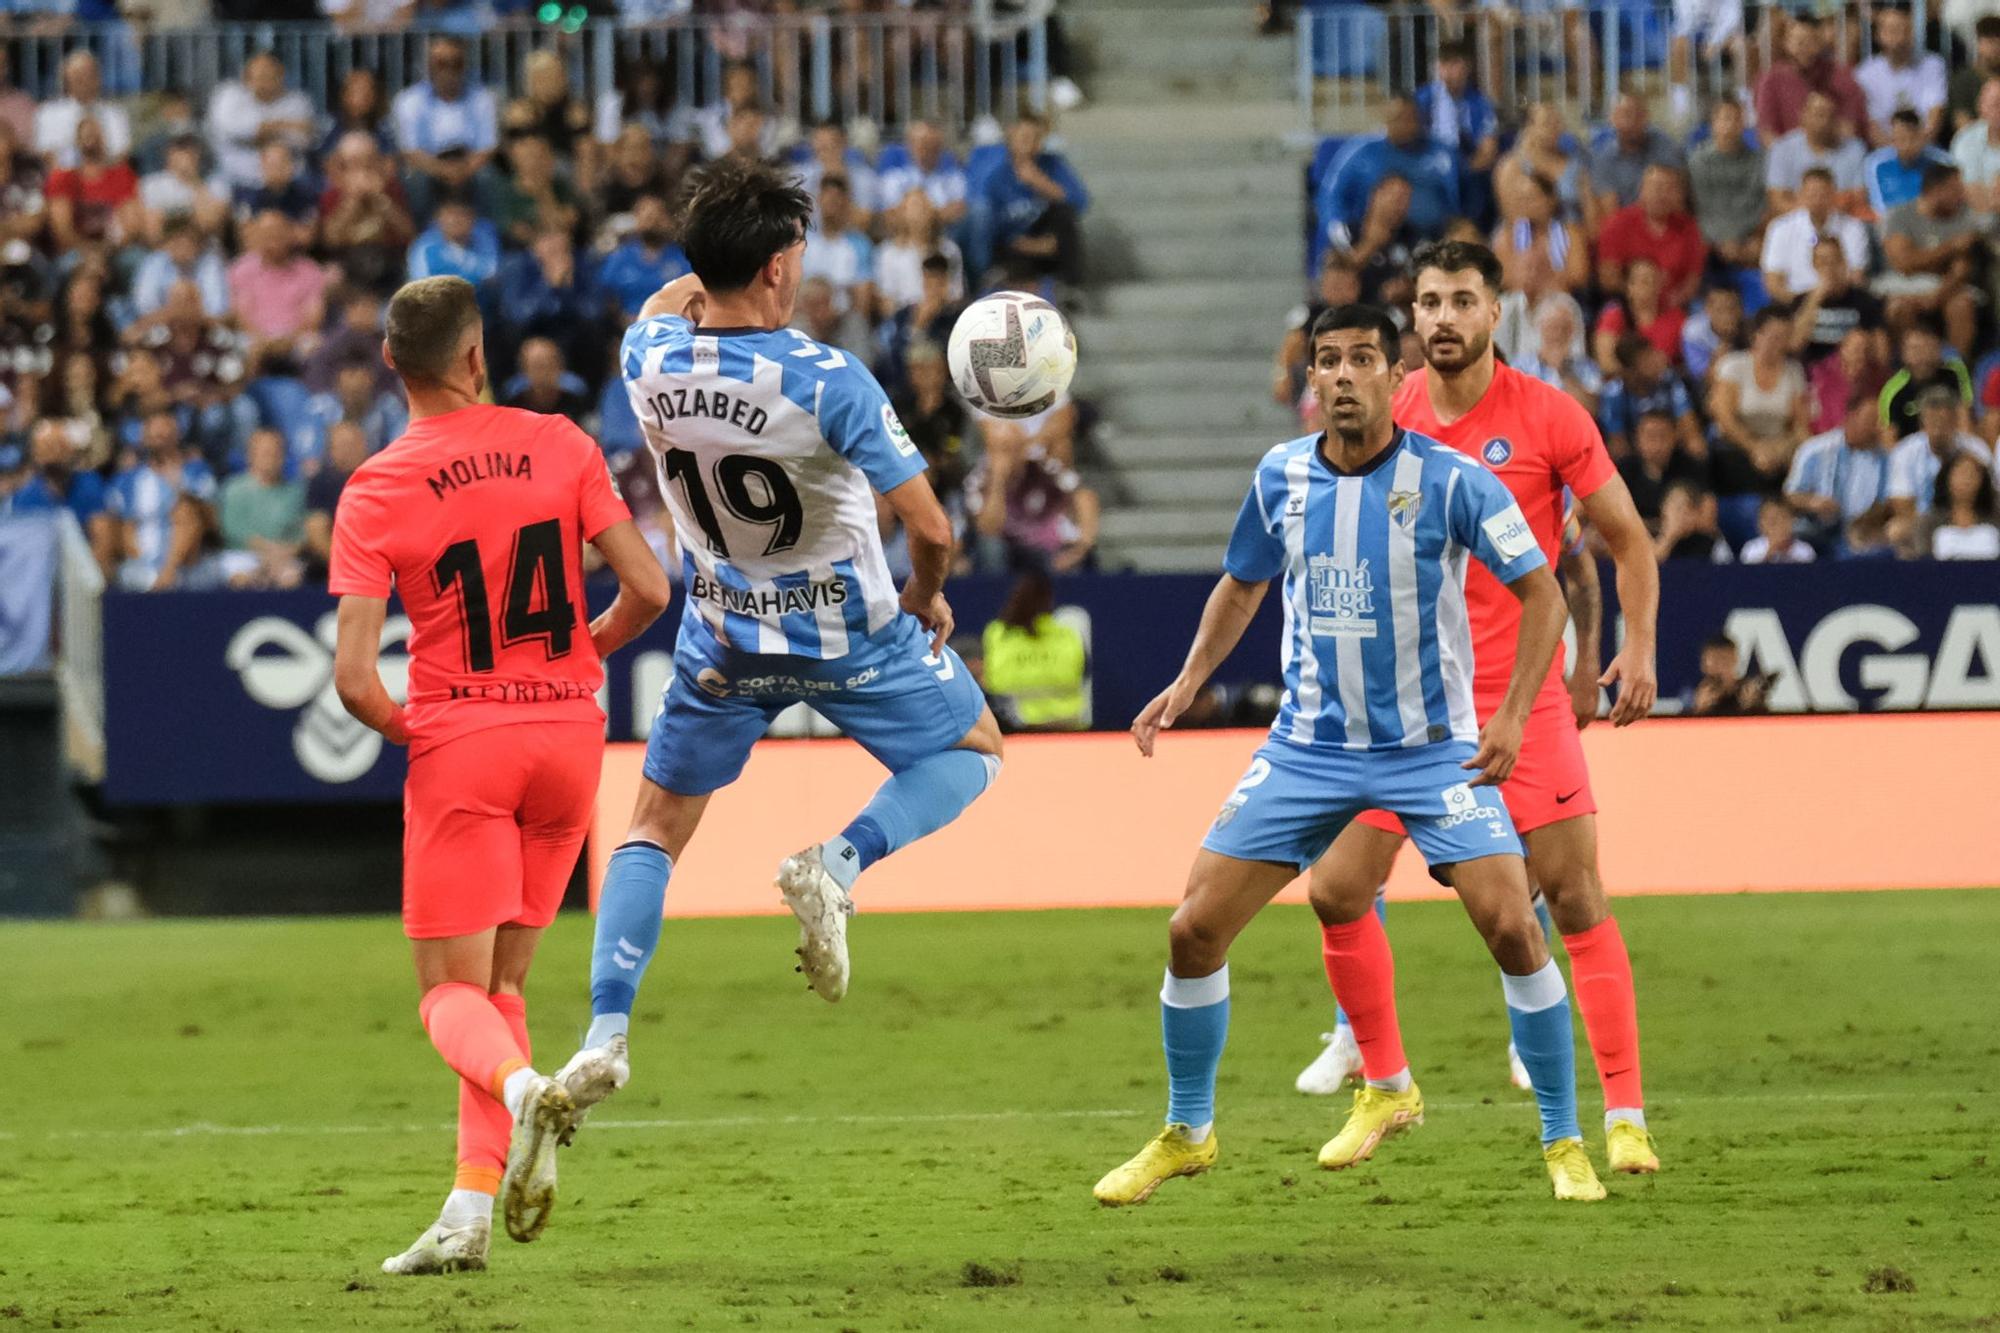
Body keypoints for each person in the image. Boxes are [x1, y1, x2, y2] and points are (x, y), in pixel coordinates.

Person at [1089, 300, 1598, 1210]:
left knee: (1514, 926)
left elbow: (1544, 596)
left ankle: (1564, 1140)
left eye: (1365, 357)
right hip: (1309, 752)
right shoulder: (1280, 475)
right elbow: (1242, 587)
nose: (1346, 375)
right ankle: (1188, 1131)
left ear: (1390, 374)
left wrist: (1515, 713)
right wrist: (1188, 679)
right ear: (1311, 378)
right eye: (1329, 360)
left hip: (1432, 753)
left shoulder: (1451, 480)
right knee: (1191, 928)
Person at [554, 161, 1005, 1132]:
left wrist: (694, 271)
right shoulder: (827, 378)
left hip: (721, 632)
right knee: (974, 752)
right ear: (773, 267)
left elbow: (669, 301)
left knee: (650, 829)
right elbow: (930, 529)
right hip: (851, 633)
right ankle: (837, 863)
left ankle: (603, 1033)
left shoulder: (648, 356)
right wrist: (927, 599)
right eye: (792, 247)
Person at [1286, 242, 1662, 1183]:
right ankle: (1384, 1080)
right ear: (1409, 321)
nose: (1443, 318)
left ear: (1497, 312)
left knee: (1574, 895)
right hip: (1407, 707)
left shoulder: (1548, 416)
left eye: (1462, 300)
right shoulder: (1386, 408)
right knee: (1335, 888)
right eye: (1427, 303)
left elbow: (1625, 542)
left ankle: (1623, 1115)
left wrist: (1638, 646)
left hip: (1520, 697)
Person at [328, 274, 671, 1273]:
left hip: (463, 742)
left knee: (447, 997)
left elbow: (354, 679)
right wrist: (578, 659)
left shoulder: (378, 485)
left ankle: (527, 1093)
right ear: (477, 358)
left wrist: (416, 728)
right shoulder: (560, 443)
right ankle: (469, 1212)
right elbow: (647, 588)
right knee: (504, 985)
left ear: (395, 367)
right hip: (568, 736)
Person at [1878, 162, 1987, 353]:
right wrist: (1950, 247)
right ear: (1936, 191)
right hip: (1906, 284)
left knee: (1961, 306)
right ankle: (1908, 370)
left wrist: (1935, 297)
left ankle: (1956, 371)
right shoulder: (1899, 216)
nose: (1961, 195)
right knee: (1898, 308)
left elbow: (1961, 270)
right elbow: (1903, 263)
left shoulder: (1965, 217)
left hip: (1948, 287)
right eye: (1955, 189)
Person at [1709, 308, 1811, 492]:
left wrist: (1783, 448)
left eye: (1785, 338)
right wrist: (1754, 447)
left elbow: (1799, 423)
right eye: (1774, 337)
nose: (1779, 344)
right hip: (1738, 444)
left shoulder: (1794, 371)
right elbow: (1724, 417)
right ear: (1757, 335)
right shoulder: (1733, 365)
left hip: (1778, 444)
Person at [981, 567, 1088, 732]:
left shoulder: (998, 633)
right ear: (1049, 600)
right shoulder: (1066, 634)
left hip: (1037, 726)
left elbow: (996, 682)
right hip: (1056, 726)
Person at [1886, 384, 1994, 547]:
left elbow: (1989, 494)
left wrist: (1961, 520)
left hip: (1971, 518)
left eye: (1943, 422)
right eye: (1932, 421)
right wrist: (1930, 524)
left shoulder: (1976, 449)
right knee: (1896, 530)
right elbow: (1901, 504)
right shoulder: (1904, 452)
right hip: (1921, 520)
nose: (1938, 430)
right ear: (1922, 422)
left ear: (1955, 421)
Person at [1786, 395, 1894, 554]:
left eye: (1879, 422)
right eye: (1871, 420)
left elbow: (1888, 501)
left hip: (1864, 527)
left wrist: (1865, 521)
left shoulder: (1885, 458)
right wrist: (1813, 502)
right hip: (1818, 526)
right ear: (1851, 417)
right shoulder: (1814, 450)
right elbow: (1791, 495)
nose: (1876, 427)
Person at [204, 51, 315, 194]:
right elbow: (229, 129)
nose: (262, 81)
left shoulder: (298, 101)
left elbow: (301, 140)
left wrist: (255, 135)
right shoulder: (229, 95)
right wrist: (281, 126)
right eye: (256, 75)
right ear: (246, 77)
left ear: (281, 75)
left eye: (268, 75)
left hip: (286, 182)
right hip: (232, 177)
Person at [1595, 164, 1704, 306]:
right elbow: (1608, 279)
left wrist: (1669, 303)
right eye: (1656, 187)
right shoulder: (1617, 223)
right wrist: (1643, 298)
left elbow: (1692, 281)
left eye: (1669, 189)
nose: (1661, 195)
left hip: (1674, 305)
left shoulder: (1690, 228)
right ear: (1642, 191)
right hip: (1626, 304)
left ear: (1679, 194)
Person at [1761, 168, 1871, 304]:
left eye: (1823, 194)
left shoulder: (1853, 227)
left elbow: (1856, 277)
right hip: (1794, 303)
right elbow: (1773, 282)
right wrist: (1803, 304)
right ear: (1800, 195)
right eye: (1812, 194)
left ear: (1834, 195)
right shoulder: (1780, 228)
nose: (1817, 200)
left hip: (1841, 302)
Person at [1754, 15, 1867, 143]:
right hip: (1789, 154)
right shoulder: (1770, 79)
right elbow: (1767, 132)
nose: (1804, 48)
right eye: (1799, 42)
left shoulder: (1841, 75)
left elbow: (1850, 126)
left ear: (1820, 43)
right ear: (1785, 43)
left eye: (1811, 41)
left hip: (1833, 152)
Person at [1687, 98, 1768, 273]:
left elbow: (1761, 205)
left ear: (1744, 124)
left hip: (1748, 240)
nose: (1730, 124)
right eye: (1725, 118)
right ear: (1713, 123)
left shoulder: (1759, 162)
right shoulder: (1697, 162)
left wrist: (1753, 237)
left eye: (1736, 119)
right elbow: (1699, 207)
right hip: (1708, 241)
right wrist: (1721, 241)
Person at [217, 428, 306, 587]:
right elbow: (232, 530)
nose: (272, 458)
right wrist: (268, 553)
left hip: (284, 555)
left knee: (290, 577)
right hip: (243, 555)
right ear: (251, 455)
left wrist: (285, 552)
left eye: (277, 452)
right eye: (266, 453)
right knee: (240, 578)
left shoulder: (296, 492)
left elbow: (301, 533)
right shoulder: (234, 489)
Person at [1787, 237, 1889, 367]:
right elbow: (1794, 344)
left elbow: (1881, 351)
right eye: (1822, 262)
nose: (1829, 268)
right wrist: (1814, 300)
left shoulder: (1864, 300)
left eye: (1834, 261)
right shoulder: (1801, 301)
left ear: (1843, 262)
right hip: (1814, 373)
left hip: (1853, 372)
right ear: (1814, 265)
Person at [1855, 4, 1948, 146]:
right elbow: (1872, 125)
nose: (1898, 37)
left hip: (1924, 148)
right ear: (1878, 35)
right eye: (1891, 30)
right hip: (1885, 150)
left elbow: (1935, 115)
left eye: (1904, 30)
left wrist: (1915, 146)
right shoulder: (1865, 73)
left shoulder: (1933, 65)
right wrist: (1897, 151)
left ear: (1912, 33)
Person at [1763, 91, 1869, 214]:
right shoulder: (1782, 148)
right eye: (1819, 114)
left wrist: (1814, 205)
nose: (1825, 122)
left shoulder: (1855, 149)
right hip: (1795, 222)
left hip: (1843, 222)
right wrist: (1815, 213)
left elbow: (1858, 198)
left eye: (1831, 116)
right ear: (1803, 115)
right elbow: (1777, 201)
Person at [1590, 93, 1685, 213]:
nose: (1632, 121)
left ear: (1647, 117)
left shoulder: (1664, 145)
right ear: (1612, 119)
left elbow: (1675, 198)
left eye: (1638, 115)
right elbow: (1611, 212)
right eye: (1626, 115)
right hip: (1626, 224)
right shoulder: (1603, 158)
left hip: (1665, 221)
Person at [1879, 319, 1973, 438]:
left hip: (1953, 443)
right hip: (1911, 449)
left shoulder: (1954, 371)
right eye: (1915, 349)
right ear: (1904, 353)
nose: (1922, 355)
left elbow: (1964, 417)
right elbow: (1889, 436)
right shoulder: (1892, 389)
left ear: (1938, 349)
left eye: (1927, 347)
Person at [1864, 109, 1955, 217]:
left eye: (1912, 139)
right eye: (1901, 139)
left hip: (1932, 223)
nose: (1906, 146)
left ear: (1921, 136)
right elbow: (1877, 207)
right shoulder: (1875, 163)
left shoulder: (1943, 161)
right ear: (1893, 139)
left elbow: (1949, 201)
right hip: (1890, 225)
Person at [1922, 450, 2000, 557]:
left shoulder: (1996, 520)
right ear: (1947, 478)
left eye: (1972, 474)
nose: (1966, 480)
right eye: (1961, 473)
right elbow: (1922, 563)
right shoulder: (1929, 523)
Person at [1689, 632, 1771, 714]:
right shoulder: (1692, 693)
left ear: (1735, 660)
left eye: (1724, 661)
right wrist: (1699, 710)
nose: (1719, 668)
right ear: (1704, 666)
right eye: (1714, 662)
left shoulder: (1747, 692)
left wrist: (1751, 707)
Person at [1739, 494, 1817, 562]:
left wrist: (1787, 553)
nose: (1779, 526)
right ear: (1761, 524)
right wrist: (1771, 552)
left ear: (1793, 521)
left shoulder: (1805, 550)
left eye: (1783, 519)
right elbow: (1749, 575)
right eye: (1773, 520)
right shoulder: (1751, 549)